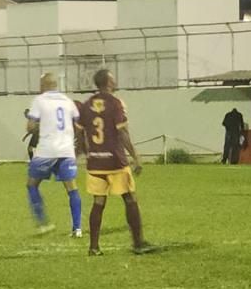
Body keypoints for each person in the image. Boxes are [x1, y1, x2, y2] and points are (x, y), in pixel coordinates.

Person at [78, 70, 157, 256]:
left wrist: (87, 152)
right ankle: (138, 243)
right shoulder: (116, 103)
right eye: (113, 78)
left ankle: (94, 247)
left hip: (95, 162)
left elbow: (80, 134)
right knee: (130, 198)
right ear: (109, 82)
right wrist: (135, 156)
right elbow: (122, 133)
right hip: (115, 160)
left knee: (98, 202)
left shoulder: (86, 105)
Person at [24, 74, 83, 237]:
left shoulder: (39, 100)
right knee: (72, 188)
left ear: (44, 85)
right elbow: (78, 124)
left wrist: (37, 126)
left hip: (46, 150)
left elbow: (29, 126)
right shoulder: (68, 101)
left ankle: (43, 223)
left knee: (32, 185)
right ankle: (77, 228)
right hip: (66, 150)